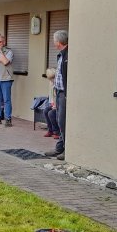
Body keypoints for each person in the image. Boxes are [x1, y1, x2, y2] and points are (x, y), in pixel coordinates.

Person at [45, 30, 68, 159]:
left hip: (64, 93)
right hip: (59, 92)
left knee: (63, 121)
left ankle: (66, 149)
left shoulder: (67, 55)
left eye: (54, 41)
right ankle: (59, 147)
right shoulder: (60, 55)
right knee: (60, 121)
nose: (53, 43)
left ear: (58, 42)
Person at [43, 68, 61, 139]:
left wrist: (56, 106)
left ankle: (57, 131)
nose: (51, 80)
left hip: (60, 105)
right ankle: (50, 130)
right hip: (55, 104)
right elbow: (52, 96)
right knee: (46, 110)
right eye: (50, 79)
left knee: (51, 113)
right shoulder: (51, 84)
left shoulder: (59, 84)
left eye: (53, 78)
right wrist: (53, 104)